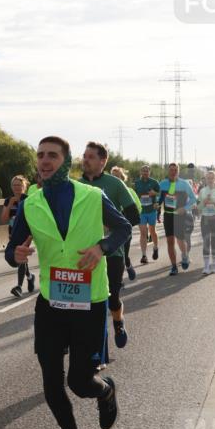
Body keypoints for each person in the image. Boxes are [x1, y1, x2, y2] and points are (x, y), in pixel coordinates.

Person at [5, 137, 131, 429]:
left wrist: (101, 248)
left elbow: (123, 227)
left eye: (52, 156)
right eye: (40, 156)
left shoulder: (92, 195)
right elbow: (11, 248)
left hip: (89, 302)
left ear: (66, 160)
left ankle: (104, 391)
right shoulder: (31, 203)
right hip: (51, 303)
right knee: (50, 379)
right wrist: (14, 254)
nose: (45, 161)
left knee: (79, 381)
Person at [80, 143, 140, 348]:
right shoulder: (76, 185)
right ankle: (98, 349)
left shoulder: (115, 184)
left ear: (102, 161)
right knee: (87, 302)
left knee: (112, 297)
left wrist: (111, 224)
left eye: (90, 156)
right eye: (84, 156)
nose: (85, 160)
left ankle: (118, 322)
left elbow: (134, 215)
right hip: (85, 251)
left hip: (113, 251)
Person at [158, 163, 197, 275]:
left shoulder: (184, 184)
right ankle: (174, 266)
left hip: (180, 215)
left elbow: (193, 199)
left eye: (175, 170)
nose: (173, 172)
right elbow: (159, 198)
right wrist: (156, 203)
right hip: (168, 215)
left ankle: (184, 255)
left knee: (180, 239)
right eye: (171, 170)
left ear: (178, 171)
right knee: (170, 241)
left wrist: (185, 208)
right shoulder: (163, 184)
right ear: (168, 171)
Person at [1, 175, 36, 297]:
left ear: (24, 187)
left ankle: (19, 287)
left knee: (21, 256)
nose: (16, 188)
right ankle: (30, 277)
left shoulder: (29, 199)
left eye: (19, 185)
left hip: (25, 234)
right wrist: (10, 204)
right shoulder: (8, 200)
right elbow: (4, 218)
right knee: (20, 257)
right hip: (12, 233)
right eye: (14, 185)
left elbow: (33, 220)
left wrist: (31, 236)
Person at [110, 166, 140, 280]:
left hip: (125, 227)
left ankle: (127, 265)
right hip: (110, 228)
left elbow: (138, 208)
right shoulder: (105, 190)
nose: (114, 178)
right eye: (112, 176)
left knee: (123, 254)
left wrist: (128, 222)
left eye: (117, 176)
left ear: (122, 178)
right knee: (113, 255)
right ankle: (119, 280)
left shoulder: (129, 191)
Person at [133, 165, 161, 264]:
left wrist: (155, 194)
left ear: (149, 172)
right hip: (141, 211)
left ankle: (155, 247)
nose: (145, 173)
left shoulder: (154, 182)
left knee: (152, 231)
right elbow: (133, 195)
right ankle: (144, 255)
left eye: (147, 171)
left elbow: (161, 194)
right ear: (141, 172)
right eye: (143, 171)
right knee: (143, 233)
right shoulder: (136, 183)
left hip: (152, 211)